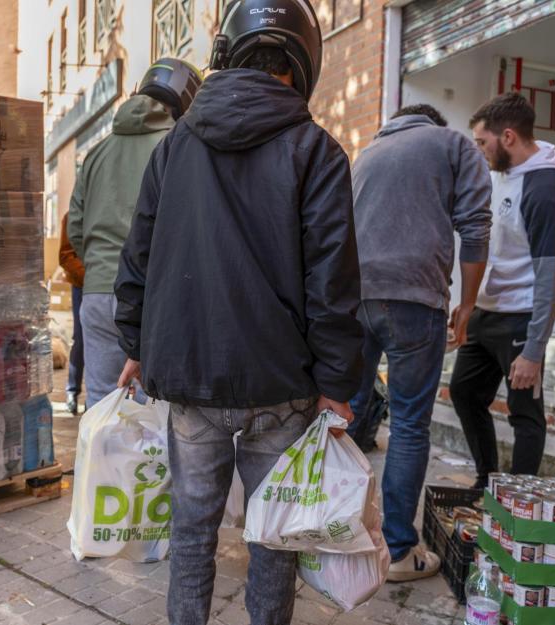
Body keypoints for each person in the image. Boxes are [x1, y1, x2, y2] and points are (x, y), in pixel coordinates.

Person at [115, 2, 363, 623]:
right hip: (280, 385)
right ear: (303, 65)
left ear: (226, 55)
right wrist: (336, 381)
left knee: (192, 532)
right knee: (272, 539)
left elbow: (137, 255)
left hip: (189, 379)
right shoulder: (318, 150)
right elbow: (332, 280)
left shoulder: (174, 148)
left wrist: (135, 345)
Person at [347, 103, 492, 581]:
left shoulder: (366, 154)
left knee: (344, 417)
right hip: (414, 299)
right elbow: (475, 227)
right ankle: (399, 552)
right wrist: (467, 305)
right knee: (409, 426)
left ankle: (335, 532)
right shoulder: (453, 144)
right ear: (434, 122)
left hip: (354, 300)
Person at [450, 92, 555, 487]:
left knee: (525, 414)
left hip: (521, 317)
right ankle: (488, 481)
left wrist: (535, 350)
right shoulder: (503, 171)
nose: (478, 149)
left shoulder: (546, 188)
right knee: (464, 392)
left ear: (507, 137)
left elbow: (550, 275)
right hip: (489, 312)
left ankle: (519, 500)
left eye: (481, 141)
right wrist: (468, 305)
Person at [68, 58, 202, 409]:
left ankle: (98, 466)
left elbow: (75, 229)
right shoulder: (181, 147)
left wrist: (100, 268)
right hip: (154, 296)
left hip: (96, 295)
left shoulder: (95, 153)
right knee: (154, 408)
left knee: (101, 404)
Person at [59, 212, 85, 415]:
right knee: (81, 338)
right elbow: (66, 255)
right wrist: (89, 275)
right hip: (83, 285)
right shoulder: (72, 216)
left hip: (109, 283)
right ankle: (72, 391)